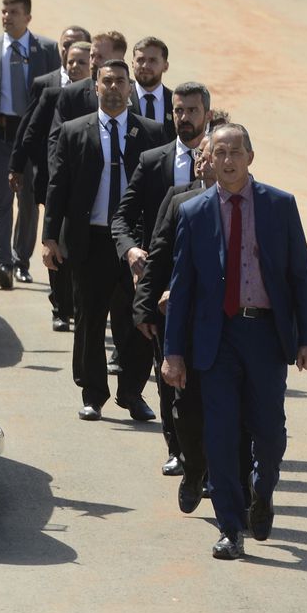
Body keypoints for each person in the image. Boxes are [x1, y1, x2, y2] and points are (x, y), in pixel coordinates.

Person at [162, 124, 307, 559]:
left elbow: (300, 277)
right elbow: (183, 286)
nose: (228, 161)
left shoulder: (279, 206)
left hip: (265, 334)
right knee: (220, 432)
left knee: (268, 431)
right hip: (216, 339)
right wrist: (173, 352)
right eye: (219, 153)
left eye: (236, 152)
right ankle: (230, 527)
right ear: (208, 160)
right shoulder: (193, 213)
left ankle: (262, 489)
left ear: (250, 156)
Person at [42, 60, 165, 422]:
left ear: (130, 89)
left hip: (136, 244)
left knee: (136, 320)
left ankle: (132, 393)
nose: (113, 87)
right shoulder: (74, 131)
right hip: (90, 240)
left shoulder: (152, 133)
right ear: (95, 87)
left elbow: (162, 191)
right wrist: (51, 238)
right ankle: (93, 392)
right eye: (106, 81)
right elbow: (58, 186)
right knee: (90, 319)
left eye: (120, 82)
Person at [112, 82, 211, 474]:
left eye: (191, 111)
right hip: (163, 289)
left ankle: (207, 454)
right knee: (168, 374)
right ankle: (178, 449)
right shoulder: (154, 160)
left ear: (206, 113)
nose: (183, 117)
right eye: (178, 111)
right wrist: (132, 249)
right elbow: (122, 216)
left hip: (210, 293)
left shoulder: (222, 157)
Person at [0, 0, 60, 289]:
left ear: (28, 17)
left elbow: (56, 95)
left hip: (33, 138)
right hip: (0, 136)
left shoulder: (46, 49)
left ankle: (21, 261)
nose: (7, 16)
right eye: (4, 11)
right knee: (0, 202)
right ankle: (2, 262)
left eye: (14, 12)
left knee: (29, 204)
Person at [13, 37, 91, 332]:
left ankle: (80, 303)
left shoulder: (101, 98)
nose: (74, 66)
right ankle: (60, 308)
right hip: (58, 188)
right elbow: (30, 135)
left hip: (92, 190)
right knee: (57, 247)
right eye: (71, 61)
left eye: (81, 62)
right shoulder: (53, 94)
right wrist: (40, 169)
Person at [131, 37, 175, 140]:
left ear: (165, 66)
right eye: (140, 60)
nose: (145, 66)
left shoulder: (175, 101)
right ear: (132, 64)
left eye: (152, 60)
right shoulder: (121, 99)